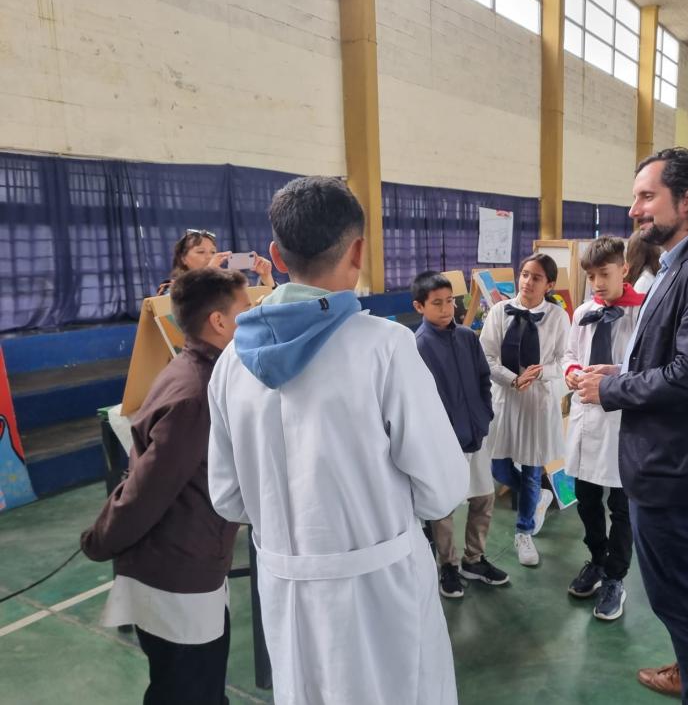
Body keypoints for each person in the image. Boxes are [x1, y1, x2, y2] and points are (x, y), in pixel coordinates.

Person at [206, 176, 468, 704]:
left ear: (276, 256)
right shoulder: (385, 348)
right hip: (380, 587)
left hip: (287, 589)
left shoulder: (231, 363)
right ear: (359, 250)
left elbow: (229, 498)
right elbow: (441, 488)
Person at [577, 147, 688, 704]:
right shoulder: (682, 260)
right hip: (668, 456)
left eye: (647, 196)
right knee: (678, 588)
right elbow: (673, 356)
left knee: (680, 593)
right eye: (635, 196)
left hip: (676, 463)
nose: (635, 209)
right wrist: (625, 369)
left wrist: (611, 388)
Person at [81, 267, 252, 705]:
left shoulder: (195, 369)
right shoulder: (196, 394)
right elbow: (146, 491)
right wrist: (99, 540)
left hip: (192, 560)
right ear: (219, 322)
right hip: (175, 575)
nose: (251, 317)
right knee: (188, 690)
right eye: (245, 310)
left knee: (202, 687)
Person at [562, 236, 652, 621]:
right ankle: (597, 560)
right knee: (585, 499)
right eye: (592, 276)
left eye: (605, 273)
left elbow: (652, 367)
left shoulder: (642, 314)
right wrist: (570, 373)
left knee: (621, 506)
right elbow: (570, 354)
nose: (597, 283)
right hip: (585, 422)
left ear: (625, 269)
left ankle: (616, 577)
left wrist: (615, 374)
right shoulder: (583, 312)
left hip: (621, 424)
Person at [411, 271, 509, 598]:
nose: (446, 308)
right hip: (443, 445)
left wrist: (485, 414)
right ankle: (448, 566)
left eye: (450, 301)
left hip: (476, 435)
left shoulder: (468, 338)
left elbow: (484, 379)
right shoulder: (417, 347)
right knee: (444, 508)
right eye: (436, 303)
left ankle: (474, 559)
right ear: (419, 306)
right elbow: (416, 400)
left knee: (483, 498)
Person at [479, 253, 570, 566]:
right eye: (525, 274)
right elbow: (487, 356)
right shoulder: (498, 312)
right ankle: (539, 499)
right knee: (498, 467)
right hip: (506, 397)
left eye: (537, 277)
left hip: (537, 401)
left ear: (549, 284)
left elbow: (563, 359)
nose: (528, 282)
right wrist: (513, 379)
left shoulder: (557, 317)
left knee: (532, 469)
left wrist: (540, 373)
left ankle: (524, 531)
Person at [157, 228, 275, 294]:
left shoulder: (226, 287)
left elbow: (258, 308)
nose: (209, 257)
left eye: (213, 252)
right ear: (183, 258)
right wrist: (207, 275)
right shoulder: (170, 289)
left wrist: (266, 278)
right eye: (200, 252)